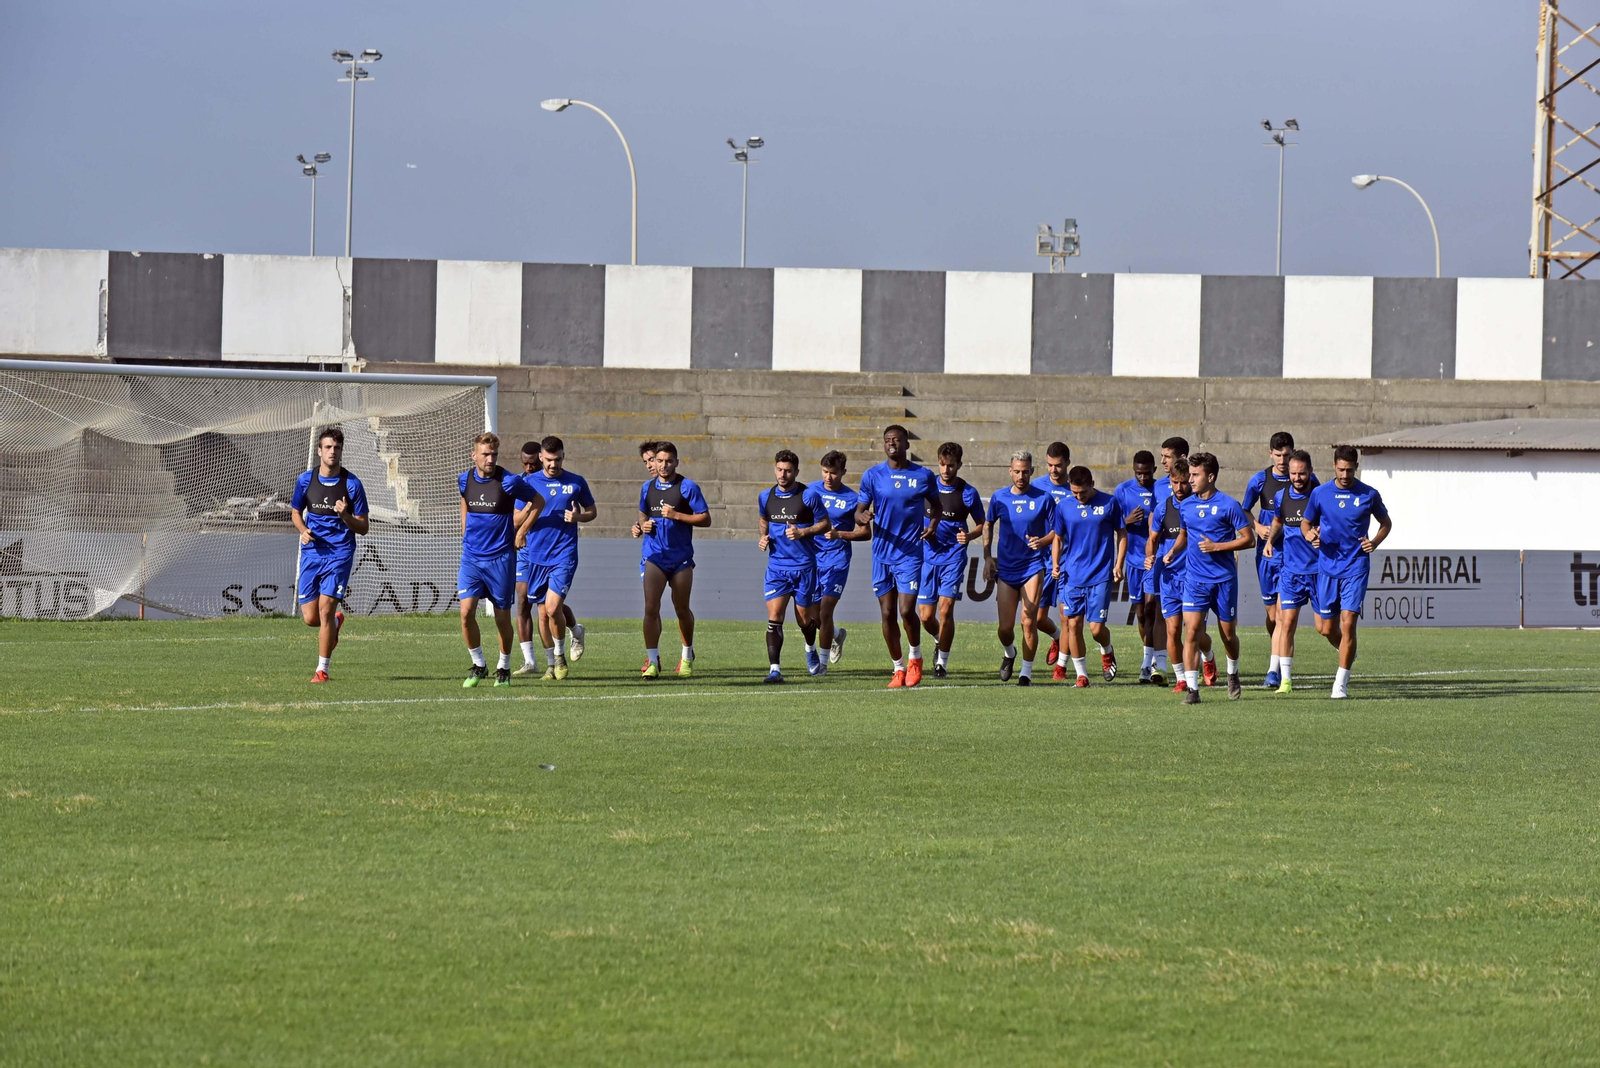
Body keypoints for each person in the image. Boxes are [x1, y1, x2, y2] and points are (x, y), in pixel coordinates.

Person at [1302, 445, 1392, 699]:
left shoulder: (1369, 495)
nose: (1344, 474)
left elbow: (1386, 523)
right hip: (1328, 567)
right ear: (1334, 466)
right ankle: (1347, 650)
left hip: (1356, 566)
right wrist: (1309, 534)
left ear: (1356, 468)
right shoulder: (1320, 494)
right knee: (1327, 629)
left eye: (1349, 470)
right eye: (1341, 469)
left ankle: (1339, 684)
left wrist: (1373, 542)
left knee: (1348, 622)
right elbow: (1307, 522)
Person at [457, 432, 542, 688]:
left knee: (502, 618)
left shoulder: (509, 482)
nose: (490, 459)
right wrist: (465, 529)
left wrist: (522, 531)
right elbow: (464, 500)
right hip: (472, 558)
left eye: (494, 454)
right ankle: (479, 664)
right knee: (465, 613)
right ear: (474, 455)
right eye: (485, 454)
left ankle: (503, 666)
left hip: (501, 559)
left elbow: (538, 500)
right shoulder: (464, 479)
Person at [855, 425, 937, 688]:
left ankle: (915, 657)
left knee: (906, 610)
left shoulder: (923, 475)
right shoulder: (872, 475)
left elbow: (936, 506)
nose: (892, 444)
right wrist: (862, 517)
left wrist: (932, 525)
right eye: (888, 440)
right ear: (884, 445)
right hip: (882, 553)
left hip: (910, 554)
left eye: (897, 440)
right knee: (888, 613)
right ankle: (898, 668)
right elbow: (858, 512)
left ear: (907, 444)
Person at [513, 437, 597, 681]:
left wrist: (578, 518)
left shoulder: (576, 482)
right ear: (541, 457)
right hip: (536, 555)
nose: (553, 464)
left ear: (563, 456)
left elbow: (592, 511)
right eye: (549, 460)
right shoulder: (528, 483)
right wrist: (532, 508)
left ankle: (559, 659)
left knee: (551, 608)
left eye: (557, 459)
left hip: (564, 554)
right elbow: (516, 519)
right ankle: (554, 659)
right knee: (543, 612)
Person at [291, 426, 370, 683]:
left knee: (325, 610)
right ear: (319, 451)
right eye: (327, 447)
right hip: (312, 553)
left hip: (340, 553)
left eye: (336, 448)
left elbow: (364, 527)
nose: (332, 451)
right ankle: (335, 624)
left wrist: (344, 515)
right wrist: (303, 530)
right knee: (311, 618)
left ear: (341, 451)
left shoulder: (352, 484)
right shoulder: (305, 480)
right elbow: (295, 512)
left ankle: (322, 670)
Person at [1173, 451, 1251, 703]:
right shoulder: (1185, 505)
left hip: (1223, 580)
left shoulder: (1229, 505)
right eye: (1190, 474)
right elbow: (1184, 536)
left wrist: (1218, 546)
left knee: (1228, 635)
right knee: (1191, 632)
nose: (1190, 480)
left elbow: (1249, 539)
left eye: (1195, 475)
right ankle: (1193, 690)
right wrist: (1172, 551)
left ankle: (1232, 672)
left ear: (1211, 476)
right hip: (1195, 580)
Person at [1242, 431, 1318, 689]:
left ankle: (1275, 670)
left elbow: (1319, 508)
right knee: (1274, 617)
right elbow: (1244, 509)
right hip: (1268, 552)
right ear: (1270, 453)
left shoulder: (1308, 480)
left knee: (1285, 617)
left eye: (1287, 455)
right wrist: (1256, 527)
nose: (1284, 460)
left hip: (1294, 553)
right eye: (1278, 455)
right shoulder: (1260, 480)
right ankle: (1277, 654)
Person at [635, 442, 711, 679]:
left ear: (676, 462)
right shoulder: (647, 488)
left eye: (669, 461)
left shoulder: (687, 487)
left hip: (680, 559)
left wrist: (677, 515)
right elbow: (643, 512)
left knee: (681, 608)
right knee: (650, 607)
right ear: (653, 463)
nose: (664, 465)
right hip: (655, 556)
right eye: (659, 461)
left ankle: (687, 655)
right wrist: (642, 525)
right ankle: (652, 661)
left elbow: (706, 519)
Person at [758, 450, 832, 682]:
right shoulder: (765, 496)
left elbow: (825, 523)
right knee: (775, 617)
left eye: (788, 470)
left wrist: (803, 532)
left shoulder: (808, 496)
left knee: (803, 619)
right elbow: (763, 519)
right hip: (777, 568)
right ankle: (775, 669)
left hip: (804, 568)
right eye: (779, 469)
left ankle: (810, 648)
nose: (783, 474)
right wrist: (763, 536)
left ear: (796, 472)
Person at [983, 451, 1056, 685]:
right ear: (1010, 471)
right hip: (1006, 569)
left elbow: (1057, 531)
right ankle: (1009, 653)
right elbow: (987, 524)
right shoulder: (999, 498)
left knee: (1028, 620)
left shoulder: (1044, 498)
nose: (1021, 476)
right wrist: (987, 557)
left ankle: (1026, 672)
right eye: (1017, 471)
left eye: (1025, 471)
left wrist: (1043, 541)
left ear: (1032, 471)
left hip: (1033, 567)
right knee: (1005, 628)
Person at [1050, 466, 1126, 687]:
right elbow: (1057, 538)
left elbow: (1122, 533)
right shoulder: (1064, 506)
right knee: (1073, 625)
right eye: (1074, 492)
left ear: (1092, 484)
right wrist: (1056, 564)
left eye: (1082, 492)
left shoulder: (1109, 503)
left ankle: (1107, 650)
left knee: (1096, 629)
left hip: (1100, 575)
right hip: (1071, 575)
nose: (1079, 497)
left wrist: (1119, 564)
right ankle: (1081, 675)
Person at [1145, 457, 1214, 692]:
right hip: (1169, 579)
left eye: (1184, 482)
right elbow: (1152, 540)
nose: (1179, 488)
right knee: (1172, 630)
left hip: (1194, 577)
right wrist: (1150, 556)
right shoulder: (1164, 507)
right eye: (1174, 482)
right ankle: (1181, 678)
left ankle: (1208, 653)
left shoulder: (1199, 507)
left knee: (1194, 631)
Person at [918, 442, 985, 679]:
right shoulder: (926, 487)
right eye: (942, 465)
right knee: (926, 616)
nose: (946, 470)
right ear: (938, 462)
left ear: (959, 465)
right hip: (927, 557)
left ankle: (941, 664)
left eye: (951, 466)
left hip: (953, 558)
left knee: (946, 611)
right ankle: (939, 638)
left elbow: (981, 524)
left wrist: (968, 536)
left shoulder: (968, 493)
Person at [808, 451, 871, 666]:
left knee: (825, 611)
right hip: (812, 559)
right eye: (825, 472)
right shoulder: (811, 491)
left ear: (843, 472)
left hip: (837, 560)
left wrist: (840, 534)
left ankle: (822, 664)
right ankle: (836, 635)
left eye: (833, 473)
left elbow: (865, 533)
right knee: (813, 616)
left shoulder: (853, 499)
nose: (828, 477)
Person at [1264, 450, 1318, 694]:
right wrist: (1268, 541)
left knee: (1325, 627)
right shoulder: (1280, 495)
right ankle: (1284, 679)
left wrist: (1320, 535)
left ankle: (1345, 649)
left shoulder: (1319, 495)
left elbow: (1330, 523)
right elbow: (1278, 520)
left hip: (1318, 570)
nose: (1297, 477)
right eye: (1294, 473)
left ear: (1310, 472)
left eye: (1301, 473)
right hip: (1290, 570)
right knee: (1285, 622)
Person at [1112, 451, 1160, 682]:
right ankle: (1148, 654)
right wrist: (1126, 521)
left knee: (1151, 610)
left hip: (1153, 560)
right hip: (1132, 560)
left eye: (1146, 473)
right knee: (1140, 614)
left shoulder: (1160, 489)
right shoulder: (1122, 490)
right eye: (1138, 473)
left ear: (1154, 470)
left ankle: (1147, 663)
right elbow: (1112, 522)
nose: (1142, 477)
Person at [1030, 442, 1072, 669]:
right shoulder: (1037, 486)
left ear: (1067, 463)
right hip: (1041, 561)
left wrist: (1045, 540)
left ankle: (1061, 667)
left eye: (1057, 465)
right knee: (1037, 619)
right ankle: (1056, 637)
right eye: (1049, 465)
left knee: (1068, 618)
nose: (1053, 470)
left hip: (1067, 561)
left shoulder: (1074, 489)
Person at [1155, 435, 1190, 502]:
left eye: (1168, 457)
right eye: (1162, 456)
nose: (1162, 461)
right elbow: (1153, 511)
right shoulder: (1158, 485)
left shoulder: (1195, 483)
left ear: (1182, 458)